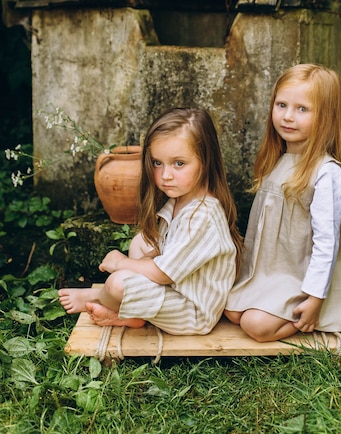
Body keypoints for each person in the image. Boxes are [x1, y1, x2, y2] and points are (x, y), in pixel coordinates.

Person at [59, 107, 243, 335]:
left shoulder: (202, 216)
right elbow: (163, 253)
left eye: (178, 164)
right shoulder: (181, 199)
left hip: (192, 313)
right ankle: (131, 315)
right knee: (140, 243)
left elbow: (163, 274)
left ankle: (102, 298)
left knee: (117, 283)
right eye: (157, 163)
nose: (165, 175)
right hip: (177, 289)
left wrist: (120, 263)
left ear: (205, 161)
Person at [224, 64, 341, 342]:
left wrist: (314, 297)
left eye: (302, 109)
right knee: (231, 311)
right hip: (273, 272)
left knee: (255, 326)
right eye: (282, 104)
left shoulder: (326, 172)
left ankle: (320, 310)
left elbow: (326, 244)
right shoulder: (277, 159)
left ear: (325, 117)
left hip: (302, 276)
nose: (288, 117)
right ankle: (278, 302)